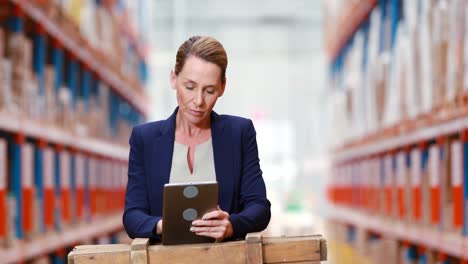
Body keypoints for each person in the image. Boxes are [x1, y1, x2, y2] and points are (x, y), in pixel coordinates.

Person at [123, 36, 271, 242]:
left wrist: (231, 225)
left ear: (222, 87)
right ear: (173, 79)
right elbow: (132, 216)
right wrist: (163, 226)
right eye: (190, 87)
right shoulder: (145, 139)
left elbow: (260, 207)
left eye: (209, 90)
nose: (199, 101)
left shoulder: (240, 133)